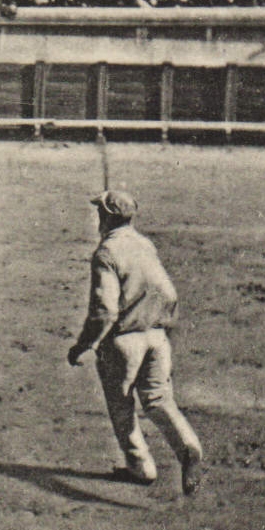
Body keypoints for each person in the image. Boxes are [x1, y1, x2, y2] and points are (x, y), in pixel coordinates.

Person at [67, 190, 204, 495]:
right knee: (158, 400)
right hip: (157, 337)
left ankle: (141, 468)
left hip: (123, 343)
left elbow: (105, 311)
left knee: (122, 407)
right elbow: (169, 293)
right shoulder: (145, 244)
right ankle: (189, 447)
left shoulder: (106, 253)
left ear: (105, 217)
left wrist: (83, 345)